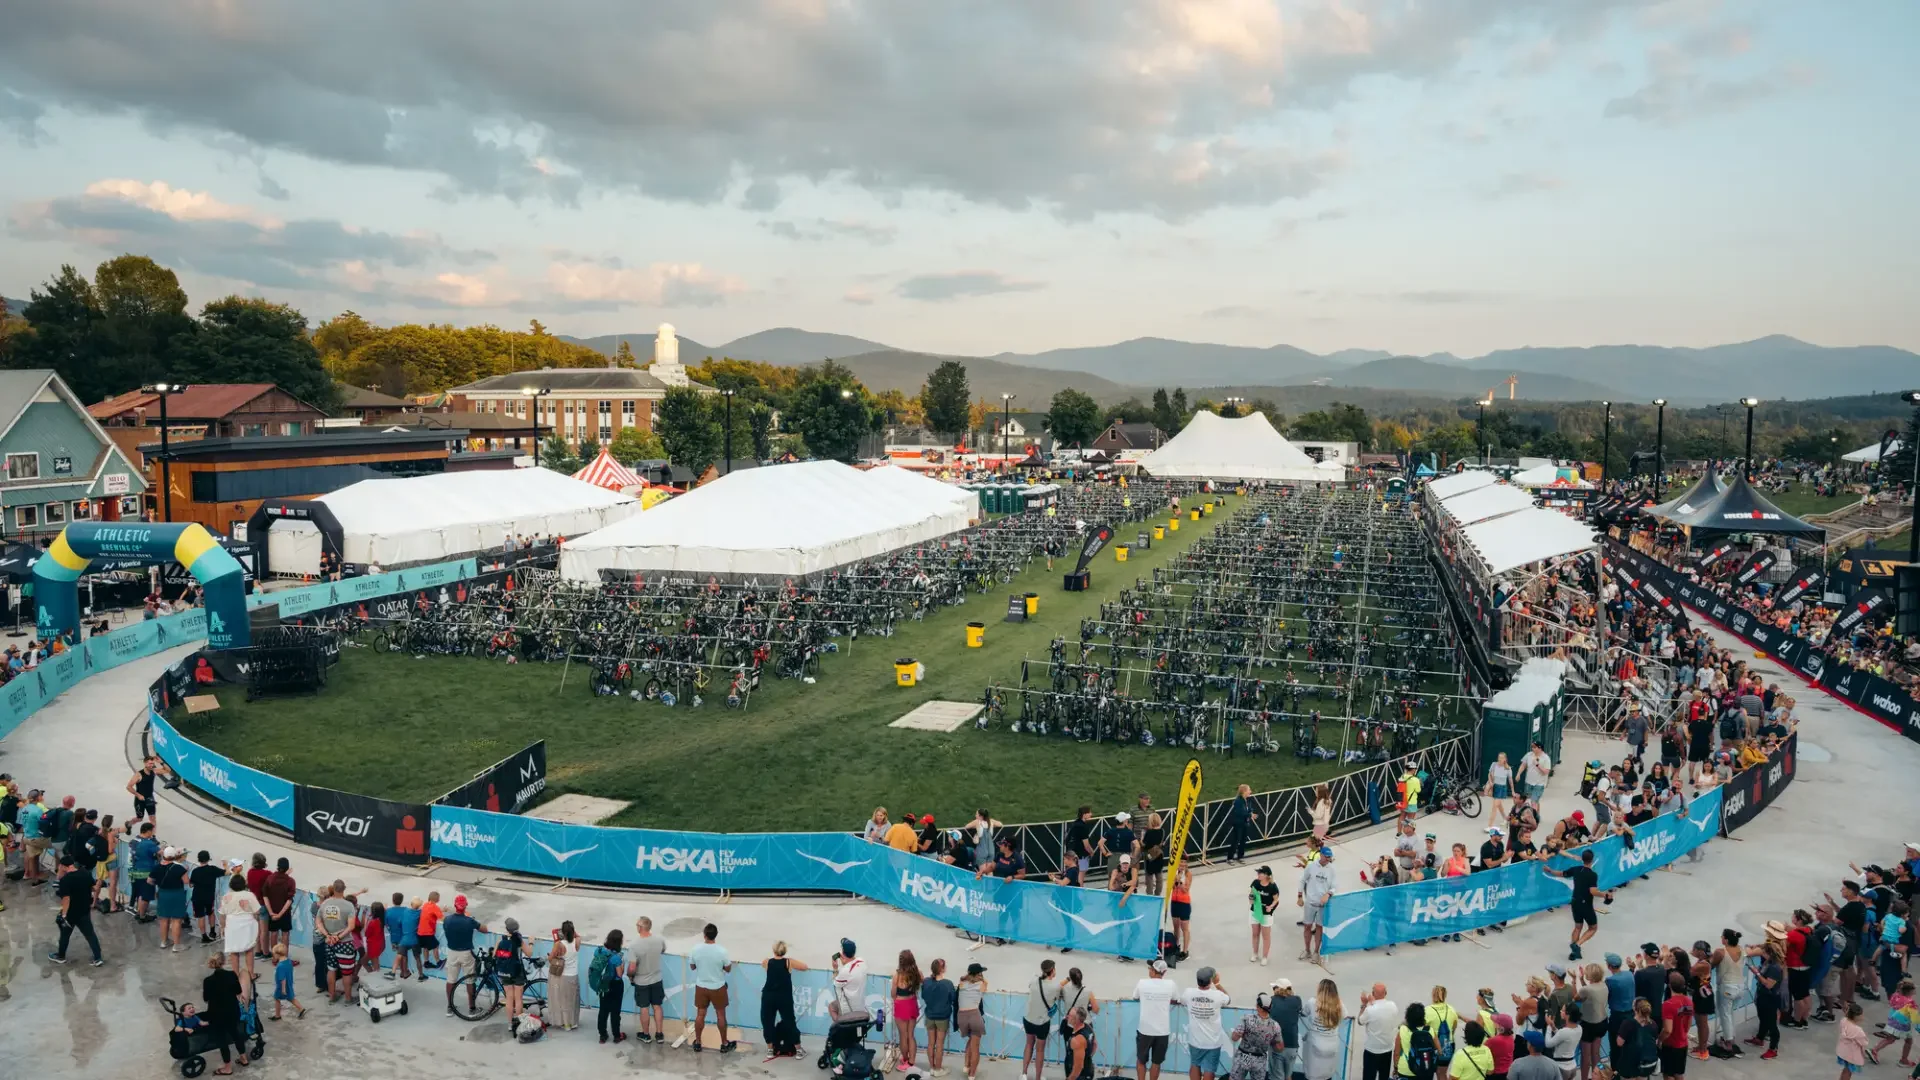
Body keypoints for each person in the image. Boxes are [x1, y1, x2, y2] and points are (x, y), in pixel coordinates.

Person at [1544, 849, 1610, 962]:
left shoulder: (1576, 869)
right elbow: (1593, 891)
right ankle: (1577, 945)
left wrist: (1549, 870)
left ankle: (1573, 953)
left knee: (1578, 926)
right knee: (1593, 928)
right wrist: (1605, 895)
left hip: (1574, 902)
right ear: (1592, 860)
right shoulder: (1592, 875)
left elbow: (1561, 874)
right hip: (1586, 904)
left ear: (1583, 859)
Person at [48, 851, 103, 966]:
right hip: (84, 910)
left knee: (65, 935)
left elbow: (66, 899)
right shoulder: (85, 873)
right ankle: (98, 958)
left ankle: (61, 956)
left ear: (62, 866)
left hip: (71, 913)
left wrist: (64, 914)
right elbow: (94, 888)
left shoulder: (65, 880)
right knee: (90, 935)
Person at [688, 921, 734, 1052]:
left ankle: (697, 1042)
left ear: (704, 935)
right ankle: (724, 1044)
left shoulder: (696, 949)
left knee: (700, 1014)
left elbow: (692, 967)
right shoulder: (722, 951)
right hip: (718, 986)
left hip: (701, 986)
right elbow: (728, 968)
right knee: (720, 1015)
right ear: (716, 935)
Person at [1178, 967, 1231, 1080]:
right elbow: (1228, 999)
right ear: (1210, 981)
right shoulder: (1218, 995)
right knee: (1209, 1069)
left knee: (1195, 1064)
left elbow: (1182, 1001)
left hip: (1195, 1040)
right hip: (1213, 1042)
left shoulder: (1189, 993)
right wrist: (1218, 984)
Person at [202, 953, 249, 1074]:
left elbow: (206, 998)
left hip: (216, 1014)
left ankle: (227, 1067)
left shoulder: (208, 981)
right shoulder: (232, 975)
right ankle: (243, 1058)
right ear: (223, 962)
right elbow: (238, 991)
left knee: (221, 1040)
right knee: (235, 1033)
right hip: (232, 1011)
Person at [440, 895, 486, 1016]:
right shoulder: (469, 921)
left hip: (452, 952)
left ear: (455, 905)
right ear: (465, 906)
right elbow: (484, 929)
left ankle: (449, 1007)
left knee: (451, 980)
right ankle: (471, 1008)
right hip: (466, 953)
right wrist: (471, 918)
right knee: (470, 980)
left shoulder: (447, 920)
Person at [1135, 958, 1178, 1080]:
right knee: (1156, 1062)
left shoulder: (1142, 983)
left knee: (1141, 1060)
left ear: (1153, 971)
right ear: (1164, 973)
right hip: (1162, 1031)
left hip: (1144, 1030)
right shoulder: (1171, 984)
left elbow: (1135, 996)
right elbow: (1176, 998)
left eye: (1150, 968)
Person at [220, 872, 261, 995]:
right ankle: (251, 974)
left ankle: (236, 975)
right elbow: (257, 911)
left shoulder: (226, 896)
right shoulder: (249, 895)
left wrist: (222, 927)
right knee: (249, 949)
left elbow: (222, 914)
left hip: (232, 924)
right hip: (247, 923)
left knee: (234, 951)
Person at [1023, 959, 1064, 1080]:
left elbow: (1031, 985)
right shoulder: (1055, 987)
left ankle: (1024, 1073)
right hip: (1042, 1022)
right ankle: (1038, 1077)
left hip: (1028, 1019)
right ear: (1053, 971)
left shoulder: (1034, 979)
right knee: (1040, 1050)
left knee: (1029, 1044)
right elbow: (1058, 991)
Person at [629, 915, 668, 1042]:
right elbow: (663, 950)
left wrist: (630, 976)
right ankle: (659, 1033)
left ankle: (646, 1034)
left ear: (640, 927)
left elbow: (632, 967)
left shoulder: (634, 945)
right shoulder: (659, 940)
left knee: (644, 1007)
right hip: (657, 978)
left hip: (642, 981)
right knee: (657, 1006)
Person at [1229, 992, 1283, 1080]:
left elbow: (1234, 1038)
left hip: (1242, 1057)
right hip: (1260, 1060)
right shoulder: (1275, 1025)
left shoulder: (1247, 1018)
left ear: (1258, 1006)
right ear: (1270, 1007)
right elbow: (1279, 1048)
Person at [493, 916, 531, 1032]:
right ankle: (519, 1024)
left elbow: (494, 954)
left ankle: (510, 1024)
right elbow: (529, 953)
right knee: (518, 999)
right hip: (517, 971)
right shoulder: (518, 940)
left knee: (509, 998)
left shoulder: (501, 940)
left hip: (505, 972)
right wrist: (531, 943)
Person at [1300, 847, 1336, 964]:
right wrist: (1300, 896)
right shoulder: (1311, 866)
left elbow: (1334, 886)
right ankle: (1307, 950)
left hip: (1322, 905)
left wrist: (1328, 894)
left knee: (1319, 927)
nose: (1328, 859)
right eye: (1326, 856)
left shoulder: (1332, 869)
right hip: (1310, 902)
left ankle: (1316, 952)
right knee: (1307, 926)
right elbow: (1303, 880)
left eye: (1329, 857)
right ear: (1321, 855)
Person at [1303, 979, 1345, 1080]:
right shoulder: (1339, 1004)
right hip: (1332, 1045)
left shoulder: (1312, 1002)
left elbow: (1304, 1012)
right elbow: (1344, 1015)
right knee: (1327, 1074)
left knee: (1313, 1074)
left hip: (1315, 1045)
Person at [921, 957, 955, 1076]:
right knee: (939, 1044)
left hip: (930, 1016)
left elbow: (923, 995)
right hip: (942, 1017)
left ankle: (931, 1067)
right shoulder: (948, 984)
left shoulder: (926, 982)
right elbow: (953, 999)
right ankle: (938, 1069)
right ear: (943, 969)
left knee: (931, 1043)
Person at [1359, 983, 1400, 1080]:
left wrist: (1364, 1004)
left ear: (1373, 993)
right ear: (1386, 993)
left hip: (1372, 1050)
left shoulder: (1370, 1010)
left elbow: (1360, 1021)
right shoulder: (1393, 1006)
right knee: (1384, 1076)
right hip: (1387, 1048)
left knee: (1369, 1077)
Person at [957, 963, 989, 1080]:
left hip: (961, 1017)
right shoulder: (981, 984)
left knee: (971, 1040)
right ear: (979, 974)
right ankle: (972, 1074)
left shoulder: (961, 983)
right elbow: (986, 985)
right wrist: (982, 978)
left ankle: (966, 1065)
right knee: (976, 1047)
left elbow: (963, 979)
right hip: (974, 1015)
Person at [1658, 972, 1692, 1080]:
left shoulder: (1668, 1005)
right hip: (1683, 1043)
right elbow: (1688, 1021)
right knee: (1678, 1073)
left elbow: (1668, 1030)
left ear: (1669, 986)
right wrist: (1684, 1033)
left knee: (1668, 1074)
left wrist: (1659, 1040)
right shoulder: (1688, 1001)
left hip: (1670, 1045)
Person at [595, 928, 627, 1045]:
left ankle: (602, 1036)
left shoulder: (601, 952)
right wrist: (622, 964)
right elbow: (619, 974)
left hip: (604, 983)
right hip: (616, 985)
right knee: (615, 1011)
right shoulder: (616, 957)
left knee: (603, 1010)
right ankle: (616, 1035)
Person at [894, 950, 925, 1070]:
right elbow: (924, 983)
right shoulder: (917, 973)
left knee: (903, 1035)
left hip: (901, 1005)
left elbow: (893, 993)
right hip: (912, 1003)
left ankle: (906, 1060)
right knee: (911, 1035)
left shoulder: (898, 975)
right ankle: (911, 1061)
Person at [155, 846, 190, 951]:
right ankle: (176, 945)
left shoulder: (157, 867)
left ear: (164, 856)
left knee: (164, 919)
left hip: (163, 894)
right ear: (174, 856)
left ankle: (164, 942)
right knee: (176, 920)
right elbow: (186, 881)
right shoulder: (179, 868)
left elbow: (149, 880)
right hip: (176, 894)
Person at [549, 920, 581, 1031]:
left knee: (564, 1001)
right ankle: (574, 1022)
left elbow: (550, 958)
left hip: (564, 976)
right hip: (574, 975)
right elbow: (577, 935)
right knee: (574, 1000)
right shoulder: (577, 941)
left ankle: (566, 1024)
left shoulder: (559, 944)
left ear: (563, 932)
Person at [189, 850, 223, 946]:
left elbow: (191, 885)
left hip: (197, 897)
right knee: (211, 912)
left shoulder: (195, 871)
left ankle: (204, 936)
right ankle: (212, 931)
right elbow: (226, 872)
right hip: (209, 896)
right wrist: (225, 864)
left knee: (201, 916)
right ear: (208, 859)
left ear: (199, 860)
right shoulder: (213, 869)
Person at [1249, 865, 1279, 966]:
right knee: (1255, 933)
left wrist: (1271, 906)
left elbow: (1276, 899)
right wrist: (1251, 899)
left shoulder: (1272, 886)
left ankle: (1265, 956)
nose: (1258, 875)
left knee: (1265, 936)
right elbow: (1251, 893)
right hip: (1255, 911)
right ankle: (1255, 953)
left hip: (1266, 914)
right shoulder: (1256, 883)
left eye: (1260, 873)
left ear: (1266, 875)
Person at [269, 943, 305, 1020]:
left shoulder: (280, 966)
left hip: (281, 986)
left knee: (276, 998)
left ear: (278, 954)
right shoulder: (288, 961)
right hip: (289, 983)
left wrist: (283, 990)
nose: (274, 956)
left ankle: (277, 1015)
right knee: (291, 998)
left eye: (274, 954)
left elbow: (283, 979)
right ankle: (301, 1008)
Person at [1065, 1005, 1098, 1080]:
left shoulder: (1077, 1040)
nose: (1067, 1017)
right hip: (1089, 1070)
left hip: (1080, 1076)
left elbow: (1078, 1067)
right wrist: (1087, 1057)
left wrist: (1069, 1078)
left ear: (1076, 1020)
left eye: (1070, 1016)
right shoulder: (1088, 1027)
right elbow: (1095, 1045)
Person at [1836, 1001, 1869, 1076]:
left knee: (1846, 1069)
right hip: (1852, 1054)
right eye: (1861, 1014)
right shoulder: (1858, 1030)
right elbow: (1864, 1042)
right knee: (1848, 1072)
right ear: (1856, 1016)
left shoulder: (1843, 1021)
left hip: (1843, 1050)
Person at [1226, 784, 1257, 864]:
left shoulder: (1247, 800)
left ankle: (1240, 856)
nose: (1250, 791)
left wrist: (1251, 813)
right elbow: (1240, 812)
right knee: (1236, 840)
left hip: (1245, 823)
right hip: (1238, 823)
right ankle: (1230, 858)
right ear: (1244, 791)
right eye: (1249, 790)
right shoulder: (1238, 801)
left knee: (1243, 840)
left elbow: (1248, 809)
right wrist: (1250, 815)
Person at [1172, 865, 1195, 959]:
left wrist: (1180, 882)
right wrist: (1175, 881)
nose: (1182, 864)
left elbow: (1186, 890)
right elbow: (1172, 887)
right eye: (1180, 862)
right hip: (1174, 902)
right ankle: (1176, 946)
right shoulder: (1175, 872)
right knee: (1176, 926)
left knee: (1184, 927)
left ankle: (1185, 951)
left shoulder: (1188, 874)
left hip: (1184, 903)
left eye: (1184, 862)